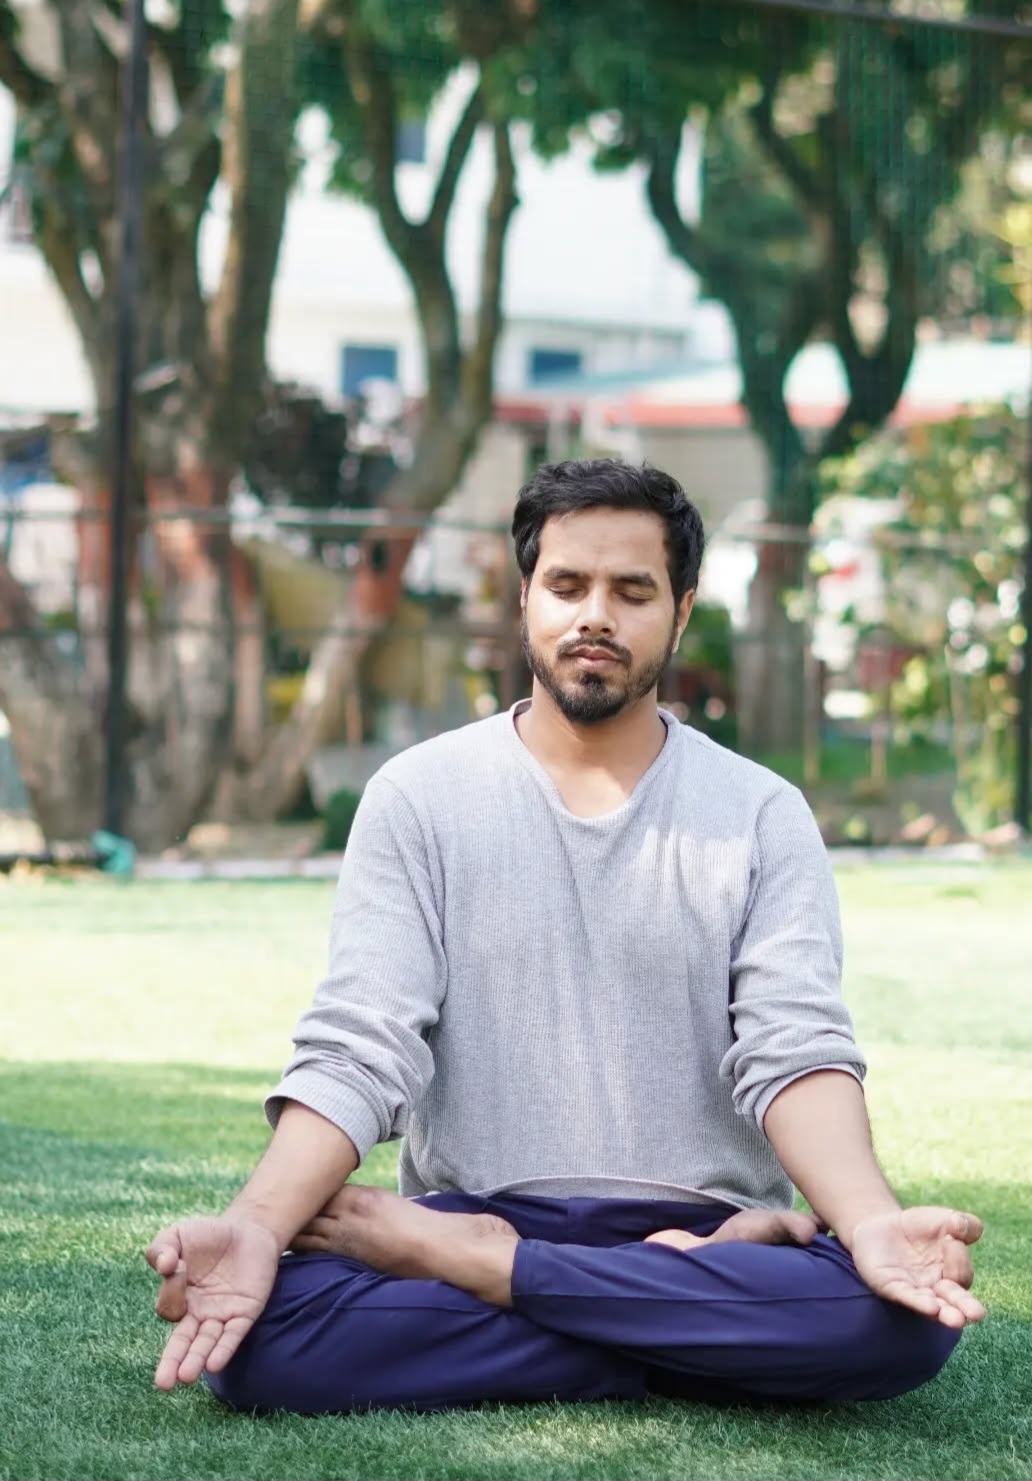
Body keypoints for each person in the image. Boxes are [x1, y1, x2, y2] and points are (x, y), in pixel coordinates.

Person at [146, 458, 984, 1415]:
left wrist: (869, 1222)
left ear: (681, 610)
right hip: (530, 1226)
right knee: (262, 1336)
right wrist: (257, 1224)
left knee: (901, 1316)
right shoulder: (419, 797)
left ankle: (504, 1277)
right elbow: (359, 1042)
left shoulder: (761, 813)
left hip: (695, 1227)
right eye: (568, 585)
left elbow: (796, 1053)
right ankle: (670, 1332)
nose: (596, 615)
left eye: (633, 591)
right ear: (525, 599)